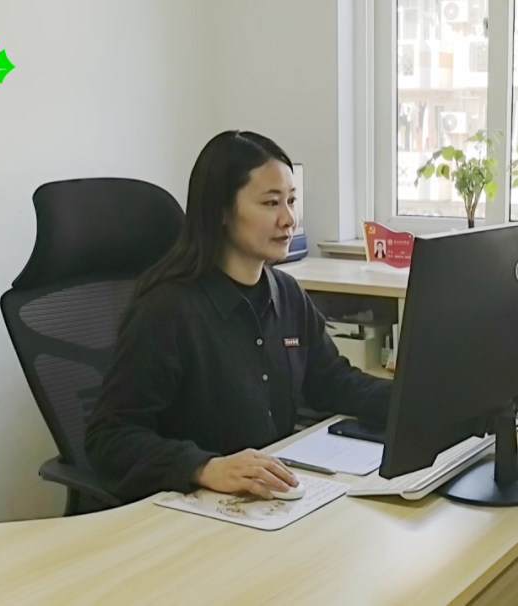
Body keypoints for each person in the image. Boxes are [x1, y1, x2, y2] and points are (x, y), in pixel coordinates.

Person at [85, 131, 393, 503]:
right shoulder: (166, 310)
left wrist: (416, 401)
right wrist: (204, 467)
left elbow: (334, 383)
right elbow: (110, 437)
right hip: (196, 507)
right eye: (271, 203)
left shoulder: (287, 295)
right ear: (221, 211)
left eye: (292, 201)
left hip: (271, 498)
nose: (289, 219)